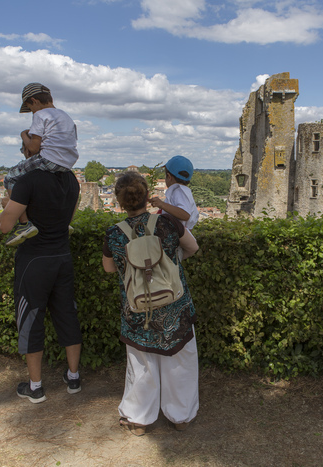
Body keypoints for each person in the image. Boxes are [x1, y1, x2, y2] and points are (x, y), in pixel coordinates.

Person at [102, 171, 199, 436]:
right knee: (180, 360)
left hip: (138, 308)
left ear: (120, 201)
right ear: (147, 197)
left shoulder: (114, 234)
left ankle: (139, 419)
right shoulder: (168, 223)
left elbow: (110, 269)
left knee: (141, 363)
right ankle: (181, 416)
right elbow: (193, 248)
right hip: (174, 305)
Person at [0, 161, 83, 404]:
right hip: (62, 257)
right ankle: (73, 377)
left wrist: (7, 206)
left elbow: (5, 226)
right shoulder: (71, 180)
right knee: (67, 314)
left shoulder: (28, 180)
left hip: (34, 260)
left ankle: (36, 387)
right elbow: (70, 217)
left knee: (31, 317)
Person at [3, 82, 79, 246]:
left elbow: (34, 148)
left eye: (30, 108)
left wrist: (23, 134)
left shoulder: (40, 115)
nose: (31, 112)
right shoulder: (65, 116)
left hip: (49, 159)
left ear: (34, 101)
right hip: (67, 163)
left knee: (10, 178)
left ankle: (24, 224)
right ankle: (64, 222)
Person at [149, 155, 199, 230]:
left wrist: (162, 204)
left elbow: (185, 215)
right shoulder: (184, 191)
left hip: (178, 235)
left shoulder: (179, 191)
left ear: (169, 176)